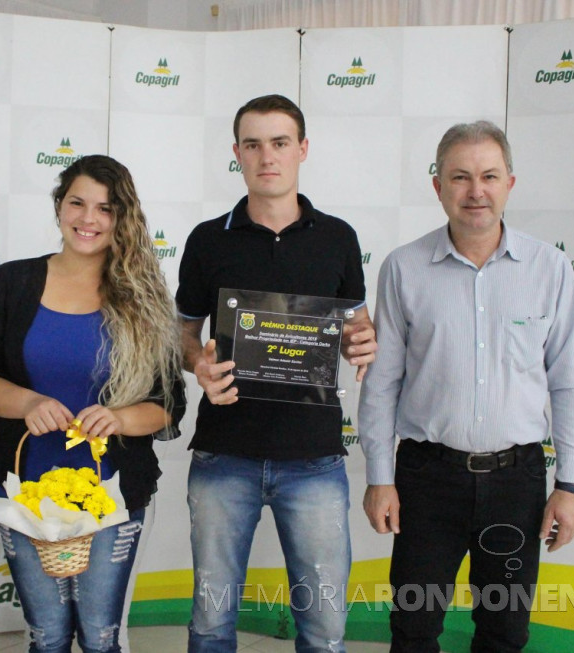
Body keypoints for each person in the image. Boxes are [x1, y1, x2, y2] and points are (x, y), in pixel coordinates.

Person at [358, 121, 574, 652]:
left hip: (518, 482)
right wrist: (379, 477)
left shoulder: (550, 268)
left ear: (511, 181)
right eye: (459, 177)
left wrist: (571, 485)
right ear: (437, 185)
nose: (476, 191)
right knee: (414, 629)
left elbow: (571, 382)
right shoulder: (403, 268)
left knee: (504, 632)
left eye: (489, 175)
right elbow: (382, 382)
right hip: (426, 479)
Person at [176, 94, 378, 652]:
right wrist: (197, 362)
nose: (268, 156)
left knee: (325, 629)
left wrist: (362, 338)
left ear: (303, 149)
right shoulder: (206, 239)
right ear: (236, 153)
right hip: (223, 457)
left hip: (314, 460)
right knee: (212, 624)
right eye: (254, 144)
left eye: (281, 142)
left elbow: (354, 325)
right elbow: (182, 330)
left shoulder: (339, 238)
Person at [0, 154, 186, 653]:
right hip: (24, 491)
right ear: (59, 206)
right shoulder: (12, 282)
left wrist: (121, 417)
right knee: (45, 635)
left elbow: (168, 402)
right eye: (77, 203)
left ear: (122, 218)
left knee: (102, 636)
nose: (88, 220)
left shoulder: (143, 296)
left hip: (114, 495)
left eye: (105, 209)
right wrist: (28, 401)